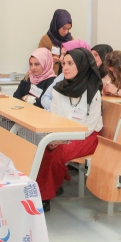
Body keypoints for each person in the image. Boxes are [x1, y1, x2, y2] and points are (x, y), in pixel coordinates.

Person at [39, 48, 102, 212]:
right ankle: (49, 185)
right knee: (43, 149)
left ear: (81, 66)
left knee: (59, 153)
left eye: (70, 63)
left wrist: (63, 139)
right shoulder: (58, 89)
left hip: (87, 136)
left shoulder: (93, 91)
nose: (65, 68)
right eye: (63, 64)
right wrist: (53, 137)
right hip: (63, 134)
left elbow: (90, 126)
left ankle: (44, 197)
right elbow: (55, 119)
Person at [41, 39, 92, 111]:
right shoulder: (63, 75)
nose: (61, 58)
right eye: (61, 54)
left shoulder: (92, 82)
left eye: (64, 54)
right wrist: (58, 109)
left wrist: (59, 109)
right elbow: (45, 98)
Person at [38, 9, 73, 74]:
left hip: (68, 75)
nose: (66, 32)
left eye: (68, 29)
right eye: (64, 28)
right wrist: (50, 60)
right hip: (51, 75)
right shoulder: (46, 39)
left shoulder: (71, 39)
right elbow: (38, 60)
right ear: (57, 25)